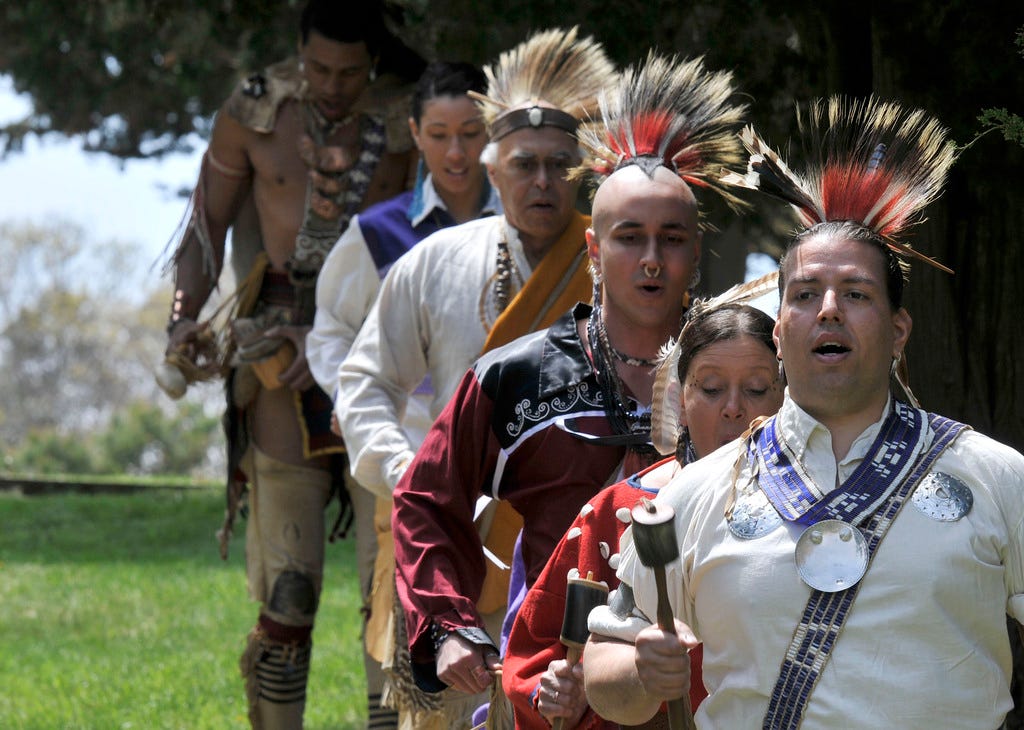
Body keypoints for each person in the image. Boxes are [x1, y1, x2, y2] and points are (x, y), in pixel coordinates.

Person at [583, 97, 1024, 729]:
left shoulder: (996, 478)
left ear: (899, 330)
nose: (829, 310)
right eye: (806, 294)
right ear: (781, 330)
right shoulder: (699, 493)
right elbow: (608, 673)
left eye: (856, 293)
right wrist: (639, 673)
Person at [385, 52, 748, 726]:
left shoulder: (746, 369)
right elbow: (426, 497)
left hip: (718, 679)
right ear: (591, 249)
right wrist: (447, 626)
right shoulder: (516, 378)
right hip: (552, 683)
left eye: (671, 239)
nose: (649, 259)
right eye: (628, 237)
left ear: (695, 251)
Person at [336, 27, 616, 728]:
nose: (543, 182)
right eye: (525, 165)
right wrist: (406, 472)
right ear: (495, 173)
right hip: (456, 543)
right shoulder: (436, 261)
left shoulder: (621, 264)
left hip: (581, 551)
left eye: (560, 164)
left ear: (583, 172)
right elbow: (366, 381)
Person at [158, 2, 425, 727]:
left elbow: (435, 235)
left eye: (348, 72)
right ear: (297, 53)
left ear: (371, 63)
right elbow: (204, 228)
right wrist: (184, 317)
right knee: (289, 589)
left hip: (384, 358)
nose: (333, 86)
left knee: (390, 585)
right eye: (318, 69)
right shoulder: (253, 112)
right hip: (277, 360)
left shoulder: (409, 117)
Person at [304, 60, 499, 730]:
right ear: (414, 134)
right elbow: (331, 332)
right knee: (388, 605)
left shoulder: (540, 236)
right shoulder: (381, 233)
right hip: (402, 459)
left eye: (472, 132)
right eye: (439, 132)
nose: (456, 150)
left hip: (502, 466)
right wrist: (356, 403)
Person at [503, 299, 783, 729]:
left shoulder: (814, 511)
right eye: (710, 388)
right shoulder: (613, 513)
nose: (734, 408)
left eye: (757, 389)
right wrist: (555, 686)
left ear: (785, 396)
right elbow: (536, 648)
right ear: (680, 399)